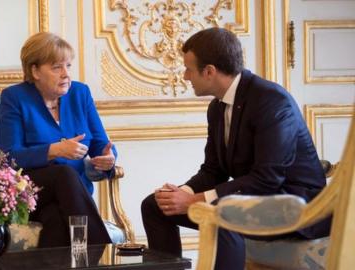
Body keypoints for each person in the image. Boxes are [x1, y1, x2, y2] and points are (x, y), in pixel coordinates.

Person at [141, 27, 331, 270]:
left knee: (225, 213)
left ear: (209, 72)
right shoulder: (217, 108)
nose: (185, 76)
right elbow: (213, 170)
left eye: (188, 68)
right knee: (155, 206)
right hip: (255, 199)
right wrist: (182, 193)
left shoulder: (272, 101)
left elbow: (268, 178)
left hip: (297, 207)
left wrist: (195, 201)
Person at [0, 32, 115, 247]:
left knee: (56, 222)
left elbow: (99, 143)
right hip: (32, 192)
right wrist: (55, 150)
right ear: (35, 70)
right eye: (57, 67)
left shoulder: (80, 93)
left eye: (68, 66)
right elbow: (7, 158)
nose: (66, 74)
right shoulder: (15, 97)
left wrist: (107, 158)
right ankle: (103, 251)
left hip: (72, 198)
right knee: (63, 172)